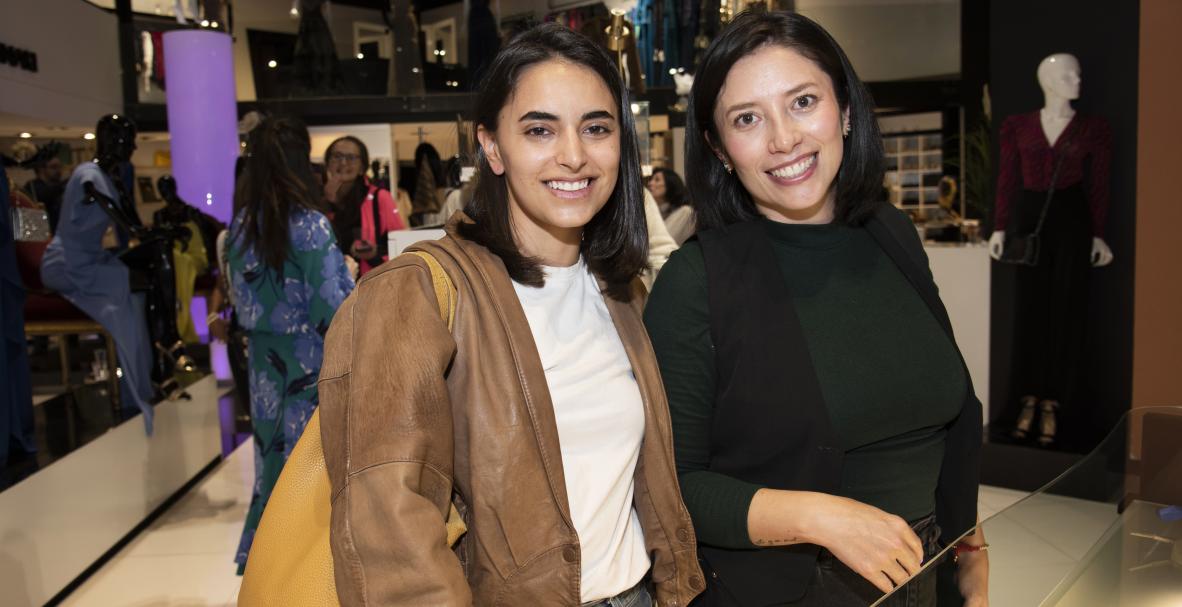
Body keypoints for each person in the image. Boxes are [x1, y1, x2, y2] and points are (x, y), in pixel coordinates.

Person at [318, 23, 703, 606]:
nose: (573, 155)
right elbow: (391, 538)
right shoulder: (417, 293)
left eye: (595, 128)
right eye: (539, 129)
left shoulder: (619, 291)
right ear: (492, 147)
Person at [643, 11, 988, 607]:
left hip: (926, 578)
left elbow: (936, 423)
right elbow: (668, 490)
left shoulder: (892, 235)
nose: (784, 139)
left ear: (846, 110)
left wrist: (967, 546)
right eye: (747, 119)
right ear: (719, 148)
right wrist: (820, 518)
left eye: (803, 102)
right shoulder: (696, 283)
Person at [227, 116, 355, 573]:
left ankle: (269, 568)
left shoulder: (241, 228)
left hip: (263, 365)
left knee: (273, 467)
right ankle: (308, 574)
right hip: (310, 366)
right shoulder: (310, 226)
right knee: (314, 471)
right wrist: (348, 273)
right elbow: (332, 311)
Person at [322, 135, 406, 275]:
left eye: (351, 157)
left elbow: (400, 246)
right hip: (329, 284)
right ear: (328, 163)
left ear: (362, 167)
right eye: (337, 156)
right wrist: (328, 203)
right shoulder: (315, 201)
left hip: (370, 285)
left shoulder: (379, 198)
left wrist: (374, 254)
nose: (343, 162)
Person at [22, 145, 66, 234]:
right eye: (54, 167)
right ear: (41, 168)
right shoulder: (32, 187)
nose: (58, 171)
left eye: (60, 167)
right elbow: (45, 194)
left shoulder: (59, 187)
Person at [648, 167, 696, 244]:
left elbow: (662, 242)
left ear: (670, 184)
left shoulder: (685, 212)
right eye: (651, 180)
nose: (650, 183)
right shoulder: (657, 212)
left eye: (657, 180)